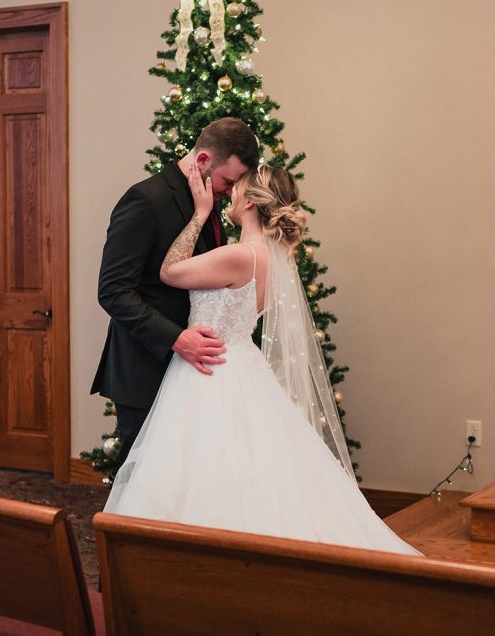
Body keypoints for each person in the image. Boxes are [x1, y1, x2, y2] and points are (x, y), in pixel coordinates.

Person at [103, 163, 420, 555]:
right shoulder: (272, 256)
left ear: (250, 202)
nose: (231, 195)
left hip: (210, 368)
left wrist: (200, 214)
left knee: (204, 471)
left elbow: (170, 272)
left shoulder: (240, 255)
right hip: (240, 363)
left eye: (237, 189)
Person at [92, 117, 260, 464]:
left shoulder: (209, 202)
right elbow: (113, 290)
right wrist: (177, 338)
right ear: (203, 160)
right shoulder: (146, 199)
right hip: (145, 368)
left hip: (192, 376)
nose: (231, 191)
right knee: (146, 477)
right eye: (229, 181)